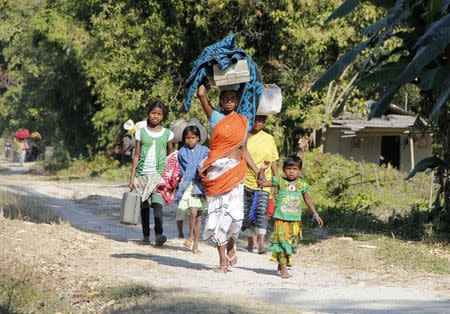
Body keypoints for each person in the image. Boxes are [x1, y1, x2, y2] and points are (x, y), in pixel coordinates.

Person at [197, 83, 259, 272]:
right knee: (218, 218)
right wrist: (204, 72)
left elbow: (244, 150)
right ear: (221, 102)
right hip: (217, 173)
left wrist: (257, 171)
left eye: (233, 97)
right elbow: (201, 94)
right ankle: (222, 261)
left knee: (235, 218)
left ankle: (232, 245)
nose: (230, 101)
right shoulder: (215, 117)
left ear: (237, 101)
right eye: (226, 98)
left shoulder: (243, 121)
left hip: (236, 173)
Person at [258, 156, 324, 278]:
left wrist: (315, 214)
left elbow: (307, 200)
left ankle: (280, 264)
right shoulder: (280, 181)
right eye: (288, 168)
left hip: (295, 222)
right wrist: (262, 169)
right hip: (281, 220)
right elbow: (261, 183)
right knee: (283, 243)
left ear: (300, 171)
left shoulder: (302, 185)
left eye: (295, 169)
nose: (292, 171)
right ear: (283, 169)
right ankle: (283, 270)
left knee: (291, 244)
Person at [129, 100, 174, 246]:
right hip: (142, 175)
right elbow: (136, 156)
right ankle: (146, 236)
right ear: (148, 114)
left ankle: (159, 235)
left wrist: (170, 177)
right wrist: (132, 177)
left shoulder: (168, 134)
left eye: (159, 114)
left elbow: (171, 156)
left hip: (159, 176)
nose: (156, 116)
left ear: (163, 116)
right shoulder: (140, 133)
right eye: (153, 113)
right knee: (145, 207)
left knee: (157, 205)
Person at [241, 115, 279, 254]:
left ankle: (262, 242)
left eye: (261, 120)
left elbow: (274, 160)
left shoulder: (269, 138)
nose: (257, 122)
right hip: (246, 179)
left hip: (264, 181)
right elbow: (242, 155)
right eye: (255, 119)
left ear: (264, 122)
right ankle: (251, 241)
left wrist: (277, 179)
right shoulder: (244, 137)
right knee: (247, 212)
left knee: (261, 211)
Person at [174, 125, 209, 254]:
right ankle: (190, 235)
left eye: (193, 138)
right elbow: (186, 169)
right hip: (189, 185)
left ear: (198, 138)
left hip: (201, 186)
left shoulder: (205, 151)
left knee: (199, 217)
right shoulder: (182, 152)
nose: (190, 140)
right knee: (193, 213)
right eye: (187, 138)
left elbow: (209, 163)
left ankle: (195, 245)